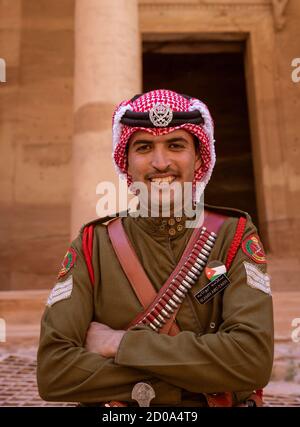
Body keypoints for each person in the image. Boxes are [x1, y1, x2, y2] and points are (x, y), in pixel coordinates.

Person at [37, 89, 274, 407]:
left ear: (199, 157)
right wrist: (194, 381)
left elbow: (251, 361)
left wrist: (120, 344)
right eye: (144, 147)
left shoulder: (233, 235)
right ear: (126, 162)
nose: (160, 163)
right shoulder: (93, 245)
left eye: (176, 145)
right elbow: (55, 372)